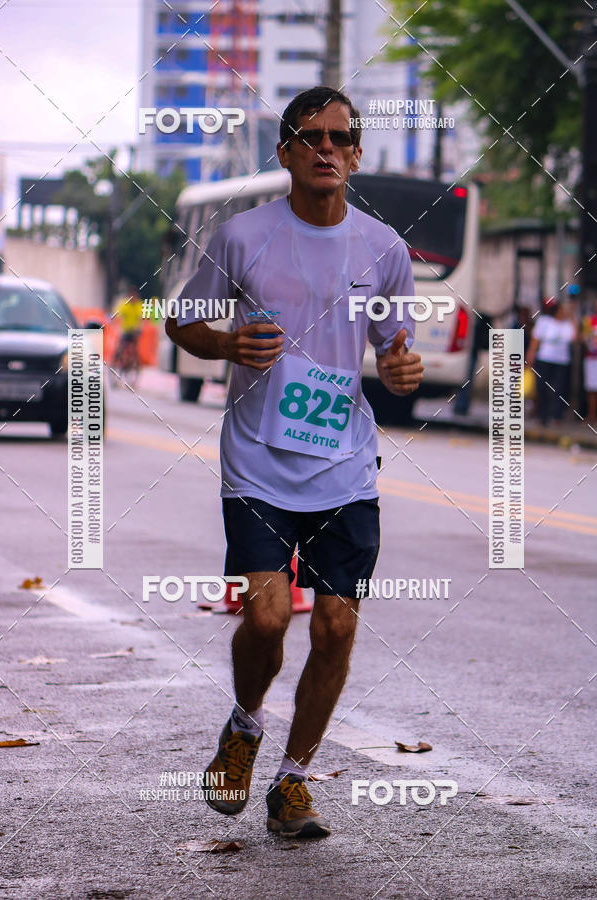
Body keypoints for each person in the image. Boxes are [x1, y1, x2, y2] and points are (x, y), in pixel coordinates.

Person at [166, 86, 423, 839]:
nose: (326, 149)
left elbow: (395, 351)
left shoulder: (384, 249)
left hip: (345, 464)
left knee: (337, 629)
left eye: (341, 138)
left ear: (356, 154)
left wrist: (403, 372)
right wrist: (223, 344)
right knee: (270, 615)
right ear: (284, 152)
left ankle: (294, 780)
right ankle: (245, 727)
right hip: (257, 461)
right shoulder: (243, 237)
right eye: (310, 137)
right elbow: (183, 319)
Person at [526, 298, 576, 426]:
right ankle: (542, 414)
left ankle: (556, 415)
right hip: (544, 359)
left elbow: (575, 338)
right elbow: (535, 340)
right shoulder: (544, 321)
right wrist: (530, 355)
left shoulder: (567, 324)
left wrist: (572, 318)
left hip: (562, 361)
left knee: (558, 388)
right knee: (542, 387)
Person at [112, 289, 143, 382]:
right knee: (120, 347)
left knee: (134, 350)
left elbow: (142, 316)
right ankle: (119, 360)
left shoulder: (139, 305)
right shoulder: (125, 304)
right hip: (125, 330)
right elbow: (118, 314)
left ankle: (133, 363)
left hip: (134, 332)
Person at [581, 298, 597, 423]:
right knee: (592, 388)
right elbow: (585, 339)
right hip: (592, 359)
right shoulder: (588, 320)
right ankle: (591, 415)